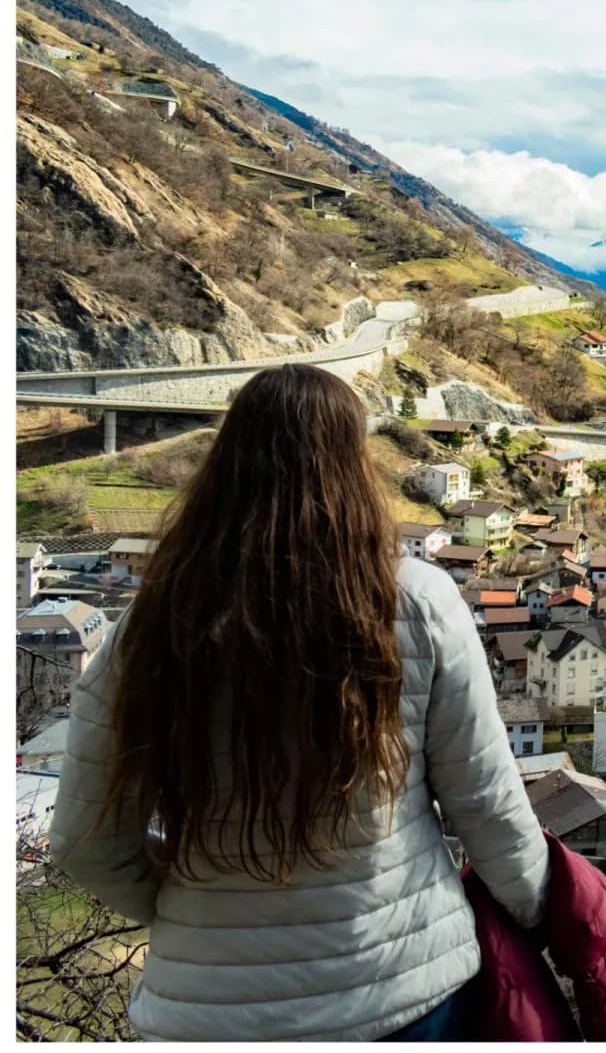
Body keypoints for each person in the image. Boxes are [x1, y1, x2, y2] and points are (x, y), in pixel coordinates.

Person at [51, 364, 549, 1041]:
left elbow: (85, 843)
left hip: (202, 1015)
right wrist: (541, 914)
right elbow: (486, 804)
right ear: (353, 463)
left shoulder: (152, 625)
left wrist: (191, 912)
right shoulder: (416, 605)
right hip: (398, 988)